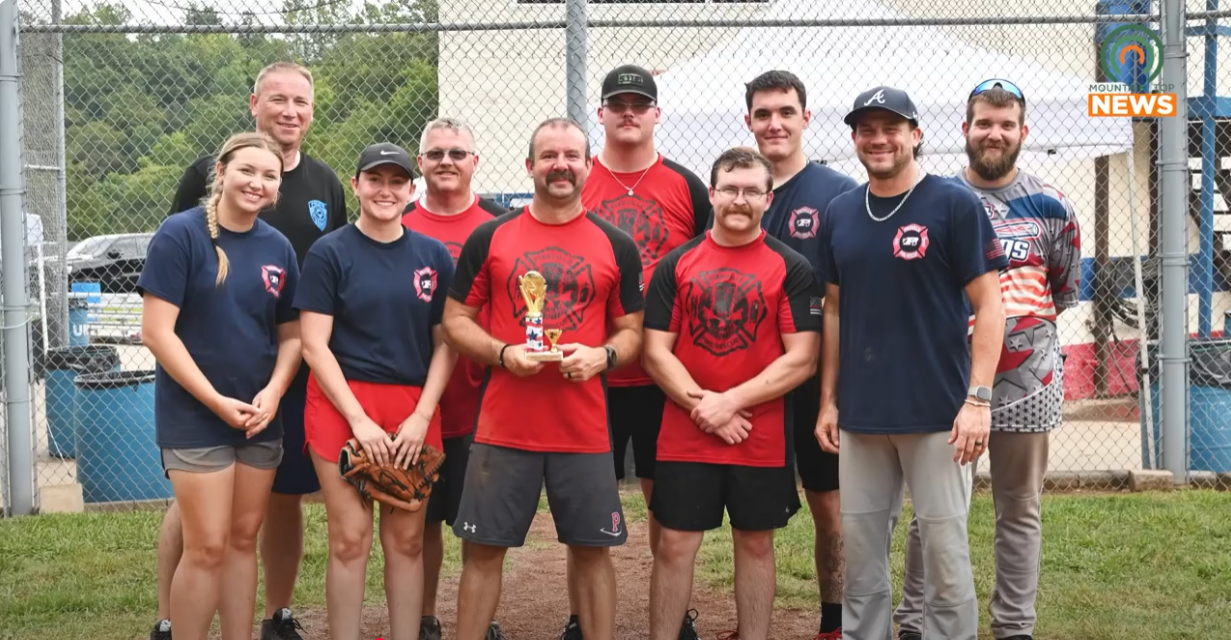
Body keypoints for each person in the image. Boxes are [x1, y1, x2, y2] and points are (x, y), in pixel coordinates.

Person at [153, 60, 347, 640]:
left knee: (266, 509)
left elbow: (314, 294)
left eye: (302, 102)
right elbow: (167, 309)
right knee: (199, 524)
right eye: (278, 99)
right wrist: (211, 394)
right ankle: (171, 617)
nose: (290, 111)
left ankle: (275, 615)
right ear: (254, 103)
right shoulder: (193, 208)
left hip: (280, 376)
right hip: (203, 389)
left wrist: (284, 379)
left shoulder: (322, 189)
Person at [814, 86, 1008, 640]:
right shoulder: (841, 212)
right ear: (853, 139)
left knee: (946, 561)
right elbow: (834, 311)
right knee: (863, 565)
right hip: (862, 417)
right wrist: (828, 400)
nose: (879, 139)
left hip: (939, 416)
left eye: (891, 127)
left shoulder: (953, 204)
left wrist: (978, 400)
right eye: (867, 129)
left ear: (915, 135)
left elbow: (989, 305)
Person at [443, 118, 644, 640]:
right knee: (483, 553)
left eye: (572, 156)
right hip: (504, 426)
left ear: (587, 166)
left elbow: (632, 333)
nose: (561, 165)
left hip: (582, 428)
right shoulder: (490, 236)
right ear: (529, 166)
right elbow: (455, 321)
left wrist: (601, 356)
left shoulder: (615, 244)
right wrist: (503, 352)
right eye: (549, 156)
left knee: (593, 552)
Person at [894, 79, 1081, 640]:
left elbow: (1063, 290)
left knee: (1019, 508)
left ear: (1023, 132)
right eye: (984, 123)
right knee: (934, 512)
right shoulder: (936, 201)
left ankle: (1013, 628)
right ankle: (913, 621)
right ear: (965, 130)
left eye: (1006, 124)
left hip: (1030, 381)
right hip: (948, 380)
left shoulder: (1052, 204)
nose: (994, 133)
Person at [643, 146, 820, 640]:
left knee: (756, 542)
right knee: (675, 543)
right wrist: (708, 407)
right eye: (729, 189)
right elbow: (656, 352)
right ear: (712, 194)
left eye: (751, 191)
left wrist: (732, 402)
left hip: (758, 434)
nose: (739, 199)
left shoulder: (791, 267)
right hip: (686, 427)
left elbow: (802, 357)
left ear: (768, 198)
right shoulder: (675, 265)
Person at [137, 131, 303, 640]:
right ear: (223, 173)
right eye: (247, 171)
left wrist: (273, 393)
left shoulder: (278, 247)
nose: (257, 183)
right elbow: (156, 332)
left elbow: (292, 334)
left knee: (240, 540)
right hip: (195, 417)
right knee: (206, 545)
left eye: (269, 176)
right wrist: (213, 399)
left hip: (257, 417)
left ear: (278, 187)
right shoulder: (180, 234)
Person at [566, 63, 712, 640]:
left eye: (639, 103)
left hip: (661, 375)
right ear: (599, 114)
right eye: (617, 104)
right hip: (591, 372)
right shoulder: (578, 178)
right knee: (584, 511)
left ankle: (674, 618)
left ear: (656, 113)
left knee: (666, 509)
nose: (628, 113)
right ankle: (581, 618)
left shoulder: (684, 185)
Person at [293, 142, 456, 640]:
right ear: (357, 184)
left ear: (412, 189)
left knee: (406, 540)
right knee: (350, 538)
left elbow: (446, 345)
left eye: (397, 181)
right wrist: (360, 421)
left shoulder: (431, 254)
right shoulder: (331, 252)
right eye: (375, 179)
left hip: (412, 406)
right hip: (342, 401)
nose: (386, 190)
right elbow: (314, 346)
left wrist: (423, 415)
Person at [742, 69, 858, 640]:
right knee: (748, 514)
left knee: (829, 505)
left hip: (816, 379)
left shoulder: (836, 193)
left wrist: (834, 392)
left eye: (785, 111)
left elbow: (844, 297)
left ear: (806, 118)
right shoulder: (736, 188)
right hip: (750, 377)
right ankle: (753, 621)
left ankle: (835, 622)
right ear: (749, 122)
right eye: (763, 114)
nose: (775, 123)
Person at [399, 117, 510, 640]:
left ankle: (476, 620)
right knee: (418, 521)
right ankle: (423, 619)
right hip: (412, 398)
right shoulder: (394, 221)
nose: (447, 161)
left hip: (482, 400)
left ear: (475, 162)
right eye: (436, 153)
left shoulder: (502, 226)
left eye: (457, 153)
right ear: (419, 164)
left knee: (479, 525)